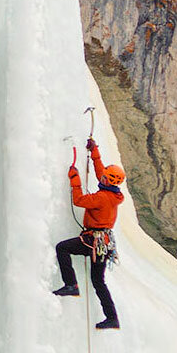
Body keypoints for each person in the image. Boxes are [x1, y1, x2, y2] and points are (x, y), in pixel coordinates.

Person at [53, 138, 125, 330]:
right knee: (98, 281)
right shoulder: (113, 193)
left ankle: (71, 285)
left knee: (62, 248)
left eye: (105, 178)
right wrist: (95, 153)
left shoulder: (102, 197)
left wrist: (75, 180)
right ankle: (112, 317)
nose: (101, 178)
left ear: (109, 181)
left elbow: (79, 200)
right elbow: (101, 171)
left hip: (94, 240)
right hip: (104, 243)